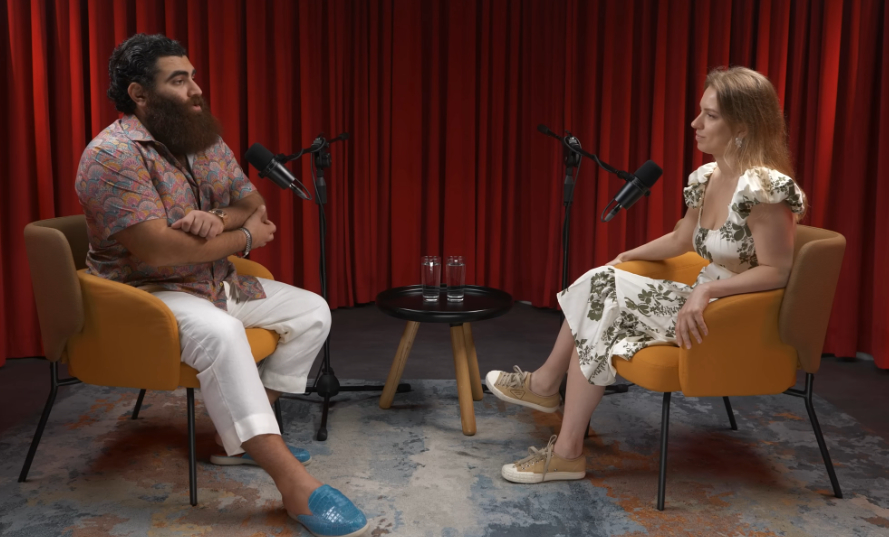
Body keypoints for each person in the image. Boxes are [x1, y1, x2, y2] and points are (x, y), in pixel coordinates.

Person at [75, 34, 368, 537]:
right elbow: (160, 251)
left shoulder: (202, 138)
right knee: (223, 334)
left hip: (213, 282)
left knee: (312, 311)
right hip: (145, 296)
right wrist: (246, 237)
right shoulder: (111, 155)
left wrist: (217, 218)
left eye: (193, 76)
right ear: (139, 94)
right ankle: (293, 483)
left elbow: (253, 202)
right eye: (179, 80)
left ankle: (241, 443)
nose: (196, 89)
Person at [486, 66, 807, 484]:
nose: (695, 123)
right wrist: (625, 257)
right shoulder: (708, 177)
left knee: (599, 296)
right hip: (696, 300)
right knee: (599, 300)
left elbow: (779, 272)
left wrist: (708, 292)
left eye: (710, 115)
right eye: (700, 111)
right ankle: (563, 444)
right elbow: (682, 238)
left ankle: (547, 394)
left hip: (731, 315)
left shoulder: (765, 189)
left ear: (743, 126)